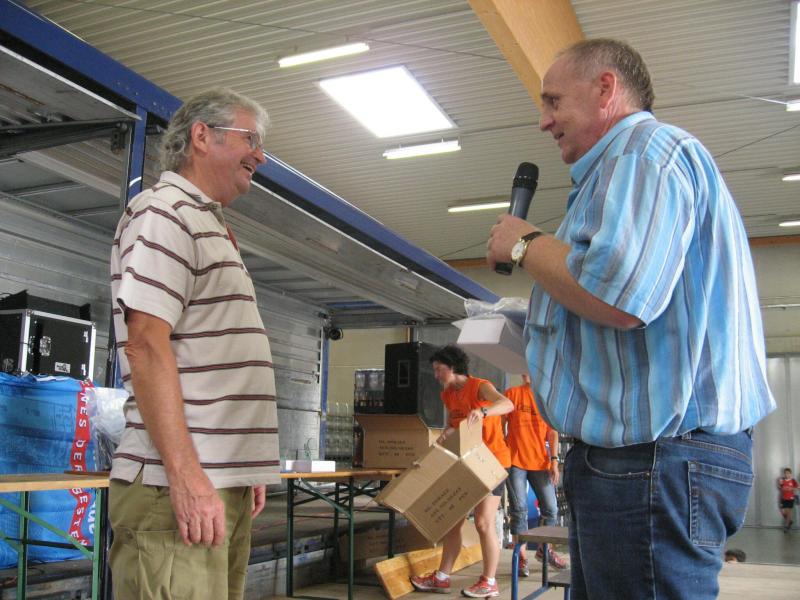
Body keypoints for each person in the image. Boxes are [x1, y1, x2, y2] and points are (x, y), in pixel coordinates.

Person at [485, 38, 776, 600]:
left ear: (605, 89)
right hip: (653, 461)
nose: (543, 121)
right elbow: (618, 297)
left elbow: (619, 296)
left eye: (553, 101)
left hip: (654, 459)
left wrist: (525, 243)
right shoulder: (627, 169)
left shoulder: (641, 154)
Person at [108, 89, 279, 599]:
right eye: (251, 139)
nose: (261, 156)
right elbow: (146, 345)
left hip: (218, 481)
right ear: (202, 136)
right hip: (175, 486)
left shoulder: (210, 223)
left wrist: (243, 462)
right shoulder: (165, 212)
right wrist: (185, 476)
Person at [410, 345, 514, 598]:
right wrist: (446, 434)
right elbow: (455, 425)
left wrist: (483, 410)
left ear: (453, 367)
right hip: (466, 461)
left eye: (439, 369)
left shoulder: (480, 386)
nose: (436, 375)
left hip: (492, 462)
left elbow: (507, 404)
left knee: (483, 522)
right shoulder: (447, 395)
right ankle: (442, 578)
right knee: (452, 521)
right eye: (434, 370)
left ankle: (489, 581)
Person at [504, 373, 566, 575]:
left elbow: (552, 432)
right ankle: (520, 557)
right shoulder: (512, 394)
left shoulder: (546, 398)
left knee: (551, 509)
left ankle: (544, 549)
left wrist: (554, 460)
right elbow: (500, 423)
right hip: (515, 460)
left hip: (540, 461)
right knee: (519, 509)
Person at [778, 468, 799, 532]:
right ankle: (790, 521)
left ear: (790, 474)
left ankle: (787, 526)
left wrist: (791, 488)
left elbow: (798, 487)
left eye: (788, 473)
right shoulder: (782, 480)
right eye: (786, 473)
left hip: (790, 498)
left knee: (788, 512)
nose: (787, 474)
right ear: (784, 474)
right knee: (782, 511)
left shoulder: (793, 480)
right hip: (783, 498)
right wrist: (780, 485)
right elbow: (780, 487)